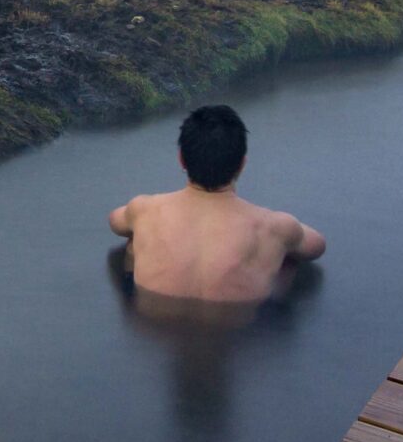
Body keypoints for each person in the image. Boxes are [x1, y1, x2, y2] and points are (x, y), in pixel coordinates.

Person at [107, 104, 326, 302]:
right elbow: (316, 246)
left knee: (134, 240)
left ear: (182, 159)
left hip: (151, 322)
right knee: (287, 256)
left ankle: (130, 291)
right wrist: (280, 232)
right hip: (244, 327)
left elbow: (115, 222)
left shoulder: (145, 209)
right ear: (241, 164)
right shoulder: (274, 226)